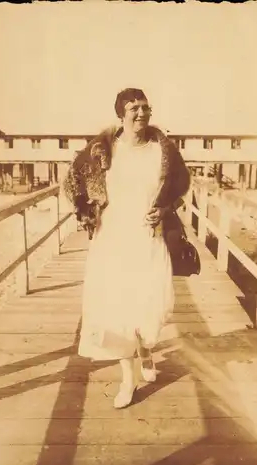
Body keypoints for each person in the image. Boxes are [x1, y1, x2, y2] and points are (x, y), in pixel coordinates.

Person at [64, 88, 190, 409]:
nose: (141, 113)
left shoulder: (164, 151)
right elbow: (73, 183)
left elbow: (180, 189)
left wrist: (164, 210)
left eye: (146, 107)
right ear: (121, 113)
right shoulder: (102, 150)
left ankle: (145, 350)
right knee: (118, 306)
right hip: (113, 238)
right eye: (134, 108)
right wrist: (88, 212)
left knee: (150, 303)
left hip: (149, 235)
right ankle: (128, 379)